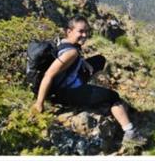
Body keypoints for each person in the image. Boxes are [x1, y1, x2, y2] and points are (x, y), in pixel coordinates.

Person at [32, 16, 147, 147]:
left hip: (61, 85)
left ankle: (90, 90)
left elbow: (64, 62)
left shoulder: (62, 42)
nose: (85, 35)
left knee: (99, 60)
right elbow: (48, 75)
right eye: (80, 31)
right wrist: (39, 104)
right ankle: (130, 133)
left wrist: (82, 63)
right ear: (69, 31)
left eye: (86, 31)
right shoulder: (71, 53)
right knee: (113, 97)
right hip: (67, 93)